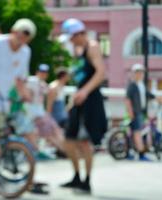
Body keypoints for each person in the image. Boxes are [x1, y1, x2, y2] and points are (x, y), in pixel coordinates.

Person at [0, 18, 37, 192]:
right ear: (13, 31)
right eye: (20, 33)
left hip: (0, 99)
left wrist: (25, 96)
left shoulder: (25, 52)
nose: (21, 38)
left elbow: (20, 79)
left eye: (26, 36)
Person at [60, 18, 107, 193]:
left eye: (72, 37)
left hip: (91, 100)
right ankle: (76, 177)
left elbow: (101, 73)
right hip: (79, 99)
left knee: (85, 141)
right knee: (68, 140)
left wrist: (85, 91)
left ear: (79, 33)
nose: (71, 41)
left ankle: (87, 180)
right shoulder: (77, 50)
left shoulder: (92, 46)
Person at [125, 63, 162, 161]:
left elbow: (150, 96)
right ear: (134, 73)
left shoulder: (142, 85)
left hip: (141, 113)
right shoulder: (132, 85)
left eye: (141, 72)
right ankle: (141, 154)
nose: (140, 74)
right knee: (136, 132)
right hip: (135, 113)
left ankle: (134, 151)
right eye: (138, 72)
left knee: (138, 132)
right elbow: (127, 100)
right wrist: (130, 112)